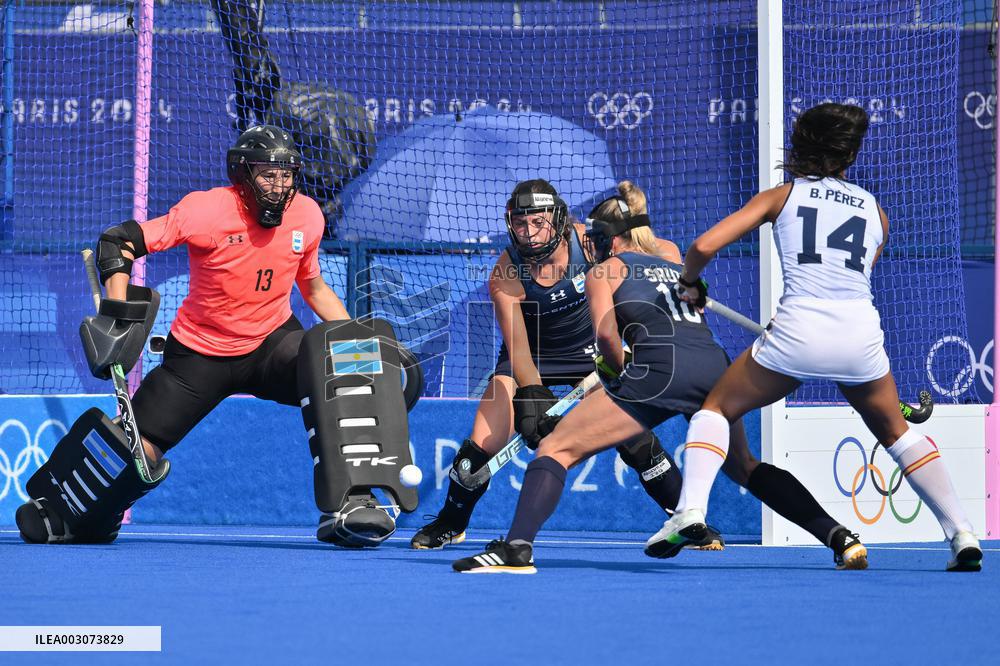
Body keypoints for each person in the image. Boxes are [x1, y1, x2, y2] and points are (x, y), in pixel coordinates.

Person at [452, 181, 868, 573]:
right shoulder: (676, 266)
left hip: (658, 372)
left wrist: (613, 369)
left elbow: (606, 335)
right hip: (715, 367)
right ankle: (839, 537)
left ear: (611, 240)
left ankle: (517, 547)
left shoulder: (604, 270)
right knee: (745, 466)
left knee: (556, 448)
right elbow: (692, 316)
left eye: (597, 241)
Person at [17, 125, 397, 548]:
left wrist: (351, 344)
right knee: (136, 451)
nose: (279, 185)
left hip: (273, 344)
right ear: (243, 175)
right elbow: (118, 243)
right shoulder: (206, 211)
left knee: (336, 372)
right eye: (267, 175)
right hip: (199, 356)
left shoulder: (307, 216)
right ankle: (73, 514)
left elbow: (314, 288)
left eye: (287, 175)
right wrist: (118, 316)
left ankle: (353, 502)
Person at [648, 103, 983, 572]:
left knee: (716, 409)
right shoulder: (876, 212)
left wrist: (690, 282)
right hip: (860, 336)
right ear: (849, 155)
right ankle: (962, 532)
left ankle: (689, 512)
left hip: (798, 333)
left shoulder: (781, 195)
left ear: (800, 144)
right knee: (896, 433)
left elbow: (703, 246)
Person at [411, 179, 723, 551]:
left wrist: (682, 279)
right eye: (521, 224)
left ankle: (685, 517)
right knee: (476, 451)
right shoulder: (507, 273)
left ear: (558, 219)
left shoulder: (590, 242)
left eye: (538, 222)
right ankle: (451, 522)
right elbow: (518, 346)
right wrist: (530, 396)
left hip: (590, 355)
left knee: (635, 438)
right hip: (529, 358)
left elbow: (662, 251)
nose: (529, 233)